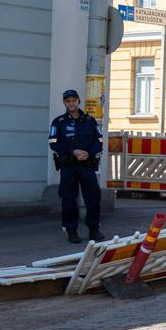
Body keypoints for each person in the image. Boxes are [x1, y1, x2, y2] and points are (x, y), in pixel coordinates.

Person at [49, 89, 105, 244]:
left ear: (79, 101)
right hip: (69, 166)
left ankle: (94, 229)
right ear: (64, 103)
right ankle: (71, 230)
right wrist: (72, 151)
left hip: (87, 165)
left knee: (93, 197)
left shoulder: (90, 121)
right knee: (68, 199)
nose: (71, 103)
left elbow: (99, 141)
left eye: (74, 100)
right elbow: (53, 143)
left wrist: (88, 153)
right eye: (68, 101)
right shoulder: (58, 122)